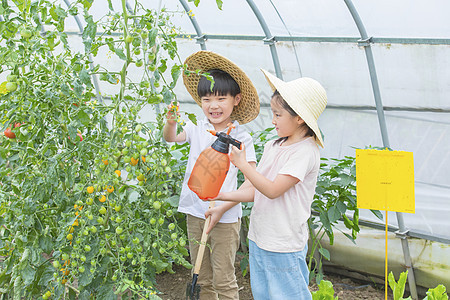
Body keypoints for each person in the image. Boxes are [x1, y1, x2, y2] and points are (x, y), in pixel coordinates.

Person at [206, 69, 327, 300]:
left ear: (299, 117)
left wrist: (243, 165)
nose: (273, 120)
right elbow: (256, 189)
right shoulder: (274, 145)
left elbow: (272, 190)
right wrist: (221, 197)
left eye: (278, 115)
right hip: (260, 237)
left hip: (284, 244)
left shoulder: (305, 151)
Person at [163, 51, 260, 300]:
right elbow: (171, 138)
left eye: (220, 98)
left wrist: (222, 207)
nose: (213, 105)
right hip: (195, 211)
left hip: (226, 216)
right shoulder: (197, 127)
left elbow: (251, 182)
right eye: (206, 99)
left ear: (236, 99)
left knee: (224, 278)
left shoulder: (242, 137)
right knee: (201, 277)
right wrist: (171, 122)